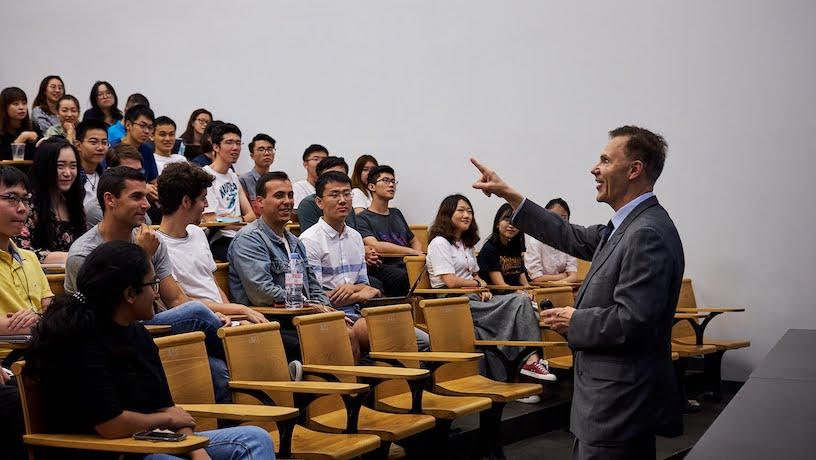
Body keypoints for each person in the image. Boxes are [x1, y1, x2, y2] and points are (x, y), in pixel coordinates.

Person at [471, 125, 685, 459]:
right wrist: (510, 195)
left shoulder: (646, 234)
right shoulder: (625, 227)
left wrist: (576, 320)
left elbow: (635, 322)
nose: (594, 169)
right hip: (610, 402)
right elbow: (566, 233)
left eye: (604, 160)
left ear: (634, 169)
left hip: (619, 404)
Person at [25, 241, 276, 460]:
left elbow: (168, 408)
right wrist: (166, 422)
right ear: (129, 294)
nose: (157, 292)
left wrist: (198, 452)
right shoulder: (80, 340)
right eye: (152, 283)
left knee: (254, 438)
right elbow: (111, 425)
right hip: (106, 451)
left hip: (151, 440)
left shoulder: (137, 334)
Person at [65, 166, 232, 402]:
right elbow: (111, 315)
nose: (146, 204)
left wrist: (210, 319)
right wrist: (141, 256)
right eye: (136, 197)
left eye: (145, 196)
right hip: (113, 335)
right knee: (197, 312)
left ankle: (222, 429)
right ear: (109, 200)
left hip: (154, 328)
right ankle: (241, 354)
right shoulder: (85, 254)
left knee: (215, 367)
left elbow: (175, 299)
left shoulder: (151, 240)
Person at [426, 194, 554, 384]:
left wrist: (480, 286)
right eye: (461, 210)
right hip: (450, 301)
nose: (466, 215)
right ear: (447, 214)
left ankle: (519, 374)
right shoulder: (439, 243)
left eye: (469, 211)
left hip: (472, 299)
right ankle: (528, 364)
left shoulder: (466, 244)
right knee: (518, 303)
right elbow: (451, 281)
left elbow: (475, 274)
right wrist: (478, 285)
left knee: (516, 310)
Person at [227, 171, 325, 362]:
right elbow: (261, 292)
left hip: (300, 317)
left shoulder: (295, 241)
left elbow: (314, 286)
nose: (287, 201)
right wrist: (310, 305)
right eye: (279, 195)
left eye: (290, 195)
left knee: (346, 329)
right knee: (325, 339)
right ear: (260, 202)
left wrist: (328, 312)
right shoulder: (249, 239)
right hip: (269, 321)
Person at [157, 162, 266, 323]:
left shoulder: (198, 233)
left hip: (225, 318)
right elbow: (182, 301)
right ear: (186, 201)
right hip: (200, 323)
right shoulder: (158, 245)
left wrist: (236, 317)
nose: (206, 205)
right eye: (203, 198)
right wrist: (239, 309)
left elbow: (213, 285)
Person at [298, 171, 381, 359]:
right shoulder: (309, 240)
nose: (342, 200)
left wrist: (352, 289)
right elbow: (315, 297)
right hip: (327, 316)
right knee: (375, 333)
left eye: (347, 193)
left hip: (358, 312)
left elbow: (365, 285)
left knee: (400, 327)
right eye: (334, 195)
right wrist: (358, 293)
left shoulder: (355, 236)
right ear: (319, 202)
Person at [15, 139, 87, 264]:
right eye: (60, 166)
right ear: (45, 167)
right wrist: (72, 257)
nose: (67, 173)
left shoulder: (75, 204)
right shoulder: (27, 203)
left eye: (73, 166)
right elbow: (21, 251)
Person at [357, 165, 421, 297]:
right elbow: (375, 245)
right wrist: (413, 253)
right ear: (372, 187)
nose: (391, 185)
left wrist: (418, 257)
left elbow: (414, 240)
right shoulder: (362, 218)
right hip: (382, 266)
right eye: (385, 181)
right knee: (402, 276)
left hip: (406, 263)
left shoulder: (396, 213)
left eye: (393, 181)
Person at [0, 166, 53, 323]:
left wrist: (37, 319)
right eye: (11, 198)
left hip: (40, 344)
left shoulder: (30, 258)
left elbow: (50, 310)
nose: (23, 208)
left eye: (25, 199)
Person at [202, 123, 256, 261]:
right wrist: (237, 220)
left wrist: (231, 219)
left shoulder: (232, 175)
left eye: (238, 143)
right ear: (215, 147)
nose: (235, 148)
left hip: (241, 235)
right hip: (220, 238)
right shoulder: (206, 175)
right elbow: (212, 220)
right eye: (229, 142)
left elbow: (251, 216)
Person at [524, 198, 579, 284]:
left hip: (564, 288)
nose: (559, 221)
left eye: (563, 217)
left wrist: (557, 283)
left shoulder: (569, 241)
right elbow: (536, 278)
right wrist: (562, 276)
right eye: (554, 216)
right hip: (541, 289)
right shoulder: (535, 241)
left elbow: (573, 276)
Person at [296, 156, 358, 232]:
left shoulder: (346, 202)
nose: (337, 180)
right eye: (330, 176)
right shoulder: (308, 203)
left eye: (341, 176)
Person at [478, 203, 531, 286]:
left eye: (515, 220)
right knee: (523, 298)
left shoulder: (516, 247)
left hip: (516, 294)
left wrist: (530, 291)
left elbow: (522, 277)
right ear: (497, 223)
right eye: (507, 219)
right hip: (496, 295)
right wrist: (522, 293)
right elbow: (501, 286)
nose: (511, 225)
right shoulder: (489, 249)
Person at [109, 103, 159, 182]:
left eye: (150, 127)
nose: (147, 131)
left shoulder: (147, 150)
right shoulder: (112, 148)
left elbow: (153, 180)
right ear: (128, 125)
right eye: (142, 126)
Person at [74, 119, 108, 223]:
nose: (100, 147)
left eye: (104, 142)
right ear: (78, 145)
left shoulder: (106, 176)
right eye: (94, 142)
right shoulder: (71, 177)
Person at [0, 87, 39, 161]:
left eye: (24, 103)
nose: (21, 107)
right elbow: (4, 158)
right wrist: (22, 138)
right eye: (16, 104)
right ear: (5, 107)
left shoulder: (33, 127)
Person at [239, 133, 275, 201]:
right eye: (261, 150)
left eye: (270, 149)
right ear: (252, 156)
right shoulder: (244, 180)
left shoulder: (276, 180)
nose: (267, 153)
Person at [292, 144, 328, 208]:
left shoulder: (332, 187)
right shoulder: (299, 187)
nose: (321, 162)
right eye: (316, 159)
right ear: (305, 164)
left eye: (324, 159)